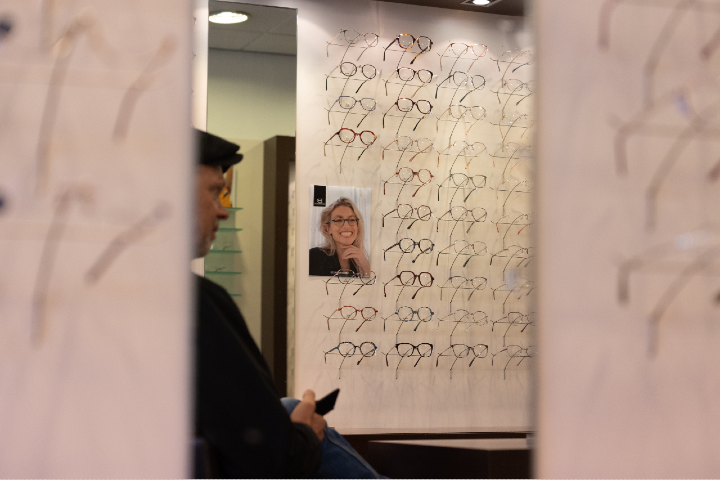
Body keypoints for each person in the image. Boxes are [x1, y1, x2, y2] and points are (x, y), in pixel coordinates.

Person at [193, 129, 385, 479]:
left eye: (352, 219)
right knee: (295, 408)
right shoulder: (196, 304)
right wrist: (305, 435)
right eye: (213, 192)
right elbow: (270, 460)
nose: (223, 211)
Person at [309, 197, 371, 277]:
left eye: (352, 219)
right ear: (328, 228)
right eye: (338, 220)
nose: (346, 225)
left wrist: (366, 266)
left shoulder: (363, 261)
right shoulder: (313, 257)